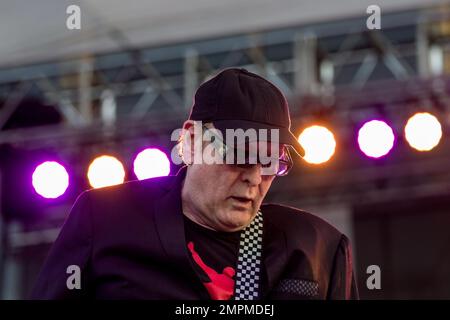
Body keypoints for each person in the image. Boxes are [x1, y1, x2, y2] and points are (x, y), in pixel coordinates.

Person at [31, 68, 358, 300]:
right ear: (189, 142)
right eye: (240, 155)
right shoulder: (105, 220)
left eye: (271, 162)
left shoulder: (318, 248)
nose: (255, 177)